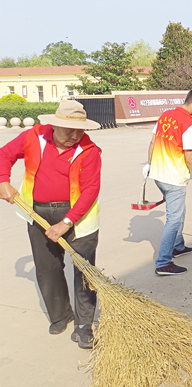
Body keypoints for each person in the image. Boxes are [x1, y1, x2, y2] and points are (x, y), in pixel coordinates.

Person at [0, 100, 102, 349]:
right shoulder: (33, 137)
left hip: (79, 215)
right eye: (69, 130)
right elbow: (4, 154)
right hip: (38, 212)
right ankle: (60, 314)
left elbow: (90, 190)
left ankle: (84, 324)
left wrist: (66, 223)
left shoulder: (89, 150)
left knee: (84, 270)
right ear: (54, 125)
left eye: (80, 130)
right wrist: (3, 180)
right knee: (48, 268)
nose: (75, 136)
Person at [143, 88, 192, 276]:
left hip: (158, 175)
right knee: (174, 219)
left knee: (179, 211)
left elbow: (153, 142)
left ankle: (178, 246)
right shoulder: (188, 124)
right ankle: (163, 262)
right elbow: (189, 157)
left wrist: (149, 164)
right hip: (173, 178)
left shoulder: (165, 116)